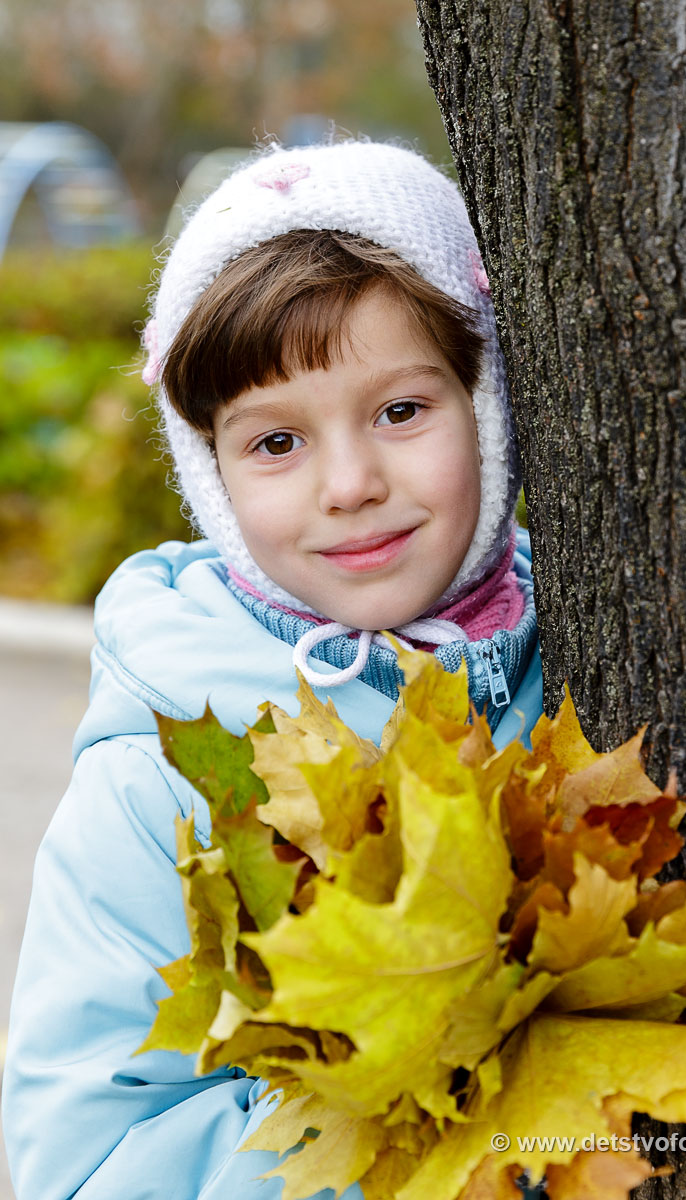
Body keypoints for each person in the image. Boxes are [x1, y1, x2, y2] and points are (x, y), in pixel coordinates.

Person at [3, 139, 544, 1199]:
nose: (348, 484)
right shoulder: (160, 770)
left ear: (483, 404)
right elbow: (82, 1160)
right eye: (275, 443)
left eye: (400, 411)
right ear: (209, 471)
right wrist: (386, 1099)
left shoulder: (575, 657)